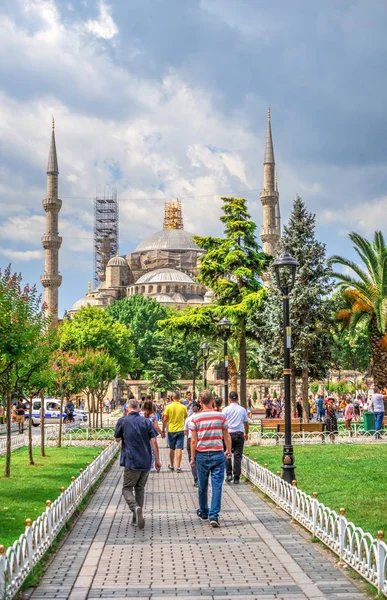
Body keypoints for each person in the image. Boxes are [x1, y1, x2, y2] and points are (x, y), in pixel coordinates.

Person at [114, 399, 161, 529]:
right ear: (138, 408)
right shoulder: (146, 421)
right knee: (140, 488)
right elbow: (154, 441)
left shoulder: (123, 421)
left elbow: (117, 439)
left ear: (127, 409)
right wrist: (157, 460)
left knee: (127, 488)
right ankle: (136, 518)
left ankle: (135, 508)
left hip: (131, 460)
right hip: (146, 460)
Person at [190, 390, 232, 527]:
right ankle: (213, 515)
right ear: (212, 400)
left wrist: (192, 457)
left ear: (200, 402)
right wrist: (229, 450)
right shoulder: (220, 417)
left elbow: (193, 440)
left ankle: (203, 511)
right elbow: (226, 435)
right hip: (218, 453)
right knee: (217, 485)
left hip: (201, 454)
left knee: (202, 485)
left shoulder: (195, 418)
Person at [222, 391, 249, 484]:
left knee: (228, 453)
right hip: (239, 433)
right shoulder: (242, 410)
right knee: (238, 456)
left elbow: (222, 423)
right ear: (237, 399)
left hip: (228, 434)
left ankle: (229, 474)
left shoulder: (225, 410)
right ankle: (237, 477)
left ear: (229, 399)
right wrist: (246, 433)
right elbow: (246, 422)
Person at [162, 391, 187, 472]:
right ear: (180, 398)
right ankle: (178, 467)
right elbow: (186, 417)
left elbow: (165, 420)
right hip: (180, 429)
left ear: (172, 398)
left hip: (171, 430)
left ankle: (172, 465)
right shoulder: (183, 407)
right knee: (179, 448)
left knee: (172, 448)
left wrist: (162, 430)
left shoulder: (168, 407)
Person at [141, 400, 162, 471]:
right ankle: (151, 465)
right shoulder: (154, 415)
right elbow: (155, 426)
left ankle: (143, 463)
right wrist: (161, 433)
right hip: (151, 434)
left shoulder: (140, 414)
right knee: (152, 448)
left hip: (142, 434)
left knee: (143, 448)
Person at [184, 401, 200, 486]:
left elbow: (185, 431)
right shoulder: (201, 418)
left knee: (192, 459)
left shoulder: (188, 419)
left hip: (190, 440)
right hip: (200, 440)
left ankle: (196, 479)